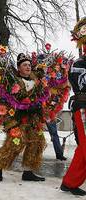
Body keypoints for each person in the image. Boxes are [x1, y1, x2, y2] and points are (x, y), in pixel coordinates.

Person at [0, 53, 46, 182]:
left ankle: (28, 171)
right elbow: (8, 100)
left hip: (33, 119)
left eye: (29, 65)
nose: (28, 67)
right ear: (19, 68)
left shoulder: (36, 82)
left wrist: (37, 106)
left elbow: (39, 97)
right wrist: (23, 108)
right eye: (24, 65)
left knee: (36, 142)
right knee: (16, 143)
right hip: (17, 118)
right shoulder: (12, 81)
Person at [60, 17, 86, 196]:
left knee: (83, 148)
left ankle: (69, 182)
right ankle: (69, 183)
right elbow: (81, 85)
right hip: (83, 107)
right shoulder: (79, 64)